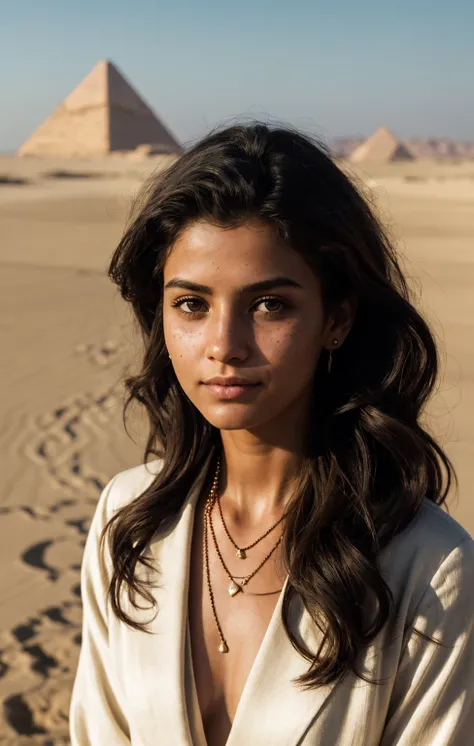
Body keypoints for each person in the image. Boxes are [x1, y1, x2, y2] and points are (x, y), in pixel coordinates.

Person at [69, 122, 474, 746]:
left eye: (269, 305)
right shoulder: (128, 518)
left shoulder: (429, 565)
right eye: (191, 305)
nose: (223, 348)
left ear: (335, 319)